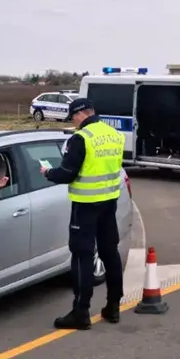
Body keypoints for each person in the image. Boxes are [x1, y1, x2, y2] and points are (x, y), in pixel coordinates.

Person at [39, 97, 125, 330]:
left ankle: (81, 312)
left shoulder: (81, 138)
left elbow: (67, 173)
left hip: (86, 206)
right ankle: (114, 306)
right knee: (110, 253)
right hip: (109, 202)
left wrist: (48, 172)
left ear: (81, 114)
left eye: (73, 117)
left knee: (82, 256)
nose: (74, 122)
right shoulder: (114, 134)